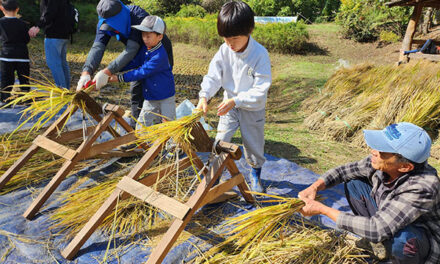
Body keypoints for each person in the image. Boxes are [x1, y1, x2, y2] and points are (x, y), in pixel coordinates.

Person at [298, 122, 440, 264]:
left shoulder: (423, 187)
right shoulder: (381, 163)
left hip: (420, 238)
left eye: (383, 151)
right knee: (354, 184)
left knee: (401, 239)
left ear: (405, 166)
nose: (374, 151)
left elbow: (377, 228)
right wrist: (314, 187)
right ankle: (378, 243)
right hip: (388, 219)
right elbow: (344, 171)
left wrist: (322, 210)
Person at [196, 1, 271, 192]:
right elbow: (213, 76)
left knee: (253, 144)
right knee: (220, 140)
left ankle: (256, 174)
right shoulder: (224, 51)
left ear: (250, 31)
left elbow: (260, 89)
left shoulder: (260, 55)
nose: (230, 44)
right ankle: (216, 175)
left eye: (235, 38)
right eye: (226, 39)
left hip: (252, 108)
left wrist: (236, 100)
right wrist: (204, 96)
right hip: (229, 106)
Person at [76, 0, 173, 127]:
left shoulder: (138, 16)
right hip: (138, 56)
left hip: (156, 54)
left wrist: (108, 72)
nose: (113, 30)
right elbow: (97, 47)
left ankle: (160, 131)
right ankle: (136, 133)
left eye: (115, 26)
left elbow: (131, 50)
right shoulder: (104, 19)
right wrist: (86, 72)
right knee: (136, 93)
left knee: (155, 92)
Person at [108, 15, 175, 128]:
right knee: (142, 124)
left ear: (160, 37)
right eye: (143, 35)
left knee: (169, 126)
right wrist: (113, 70)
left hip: (165, 97)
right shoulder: (146, 50)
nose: (144, 39)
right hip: (150, 97)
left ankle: (170, 145)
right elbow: (134, 62)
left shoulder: (159, 56)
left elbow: (141, 72)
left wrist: (119, 78)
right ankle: (141, 144)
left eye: (148, 36)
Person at [28, 0, 70, 89]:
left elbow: (50, 12)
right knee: (62, 64)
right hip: (64, 34)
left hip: (53, 34)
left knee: (54, 63)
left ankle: (63, 94)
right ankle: (67, 91)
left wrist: (38, 26)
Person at [0, 0, 32, 106]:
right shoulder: (22, 23)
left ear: (2, 8)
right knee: (24, 78)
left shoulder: (1, 22)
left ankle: (6, 100)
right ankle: (26, 99)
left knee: (6, 79)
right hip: (22, 55)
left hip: (7, 55)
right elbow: (27, 39)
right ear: (17, 9)